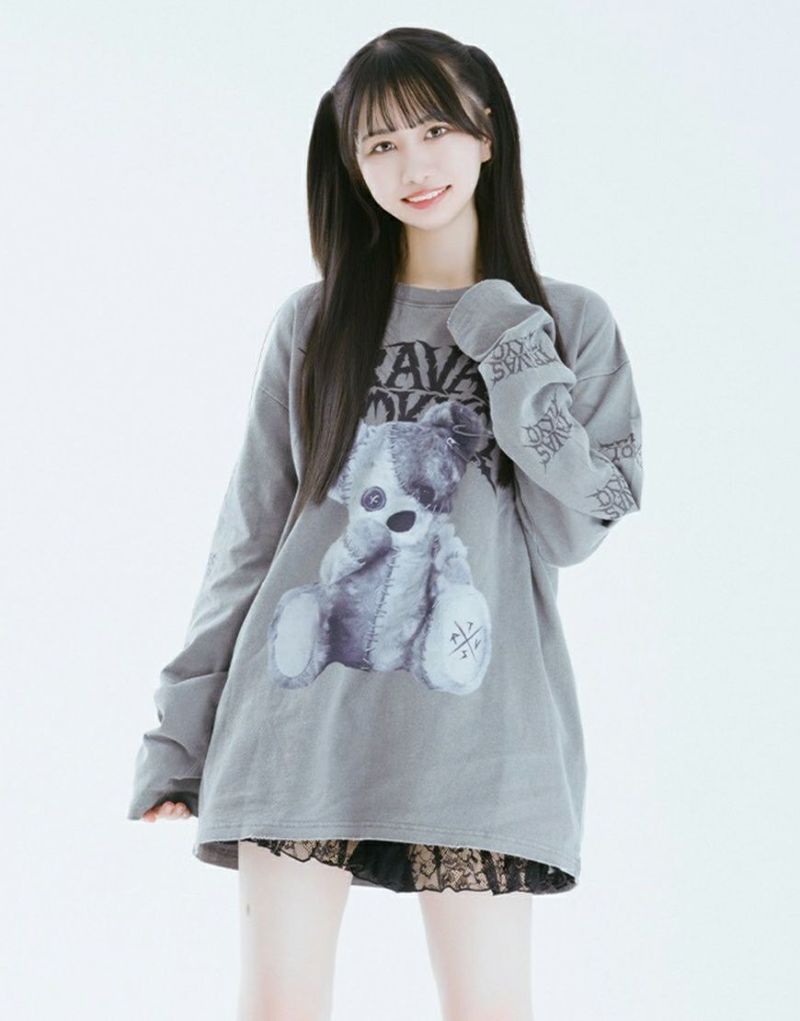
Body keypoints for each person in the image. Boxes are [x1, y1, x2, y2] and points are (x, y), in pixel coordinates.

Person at [127, 25, 644, 1021]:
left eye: (435, 129)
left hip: (482, 737)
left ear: (486, 133)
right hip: (298, 724)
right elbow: (251, 539)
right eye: (380, 144)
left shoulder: (566, 321)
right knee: (279, 1005)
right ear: (351, 164)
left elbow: (575, 527)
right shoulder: (315, 323)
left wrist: (506, 336)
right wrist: (177, 735)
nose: (414, 165)